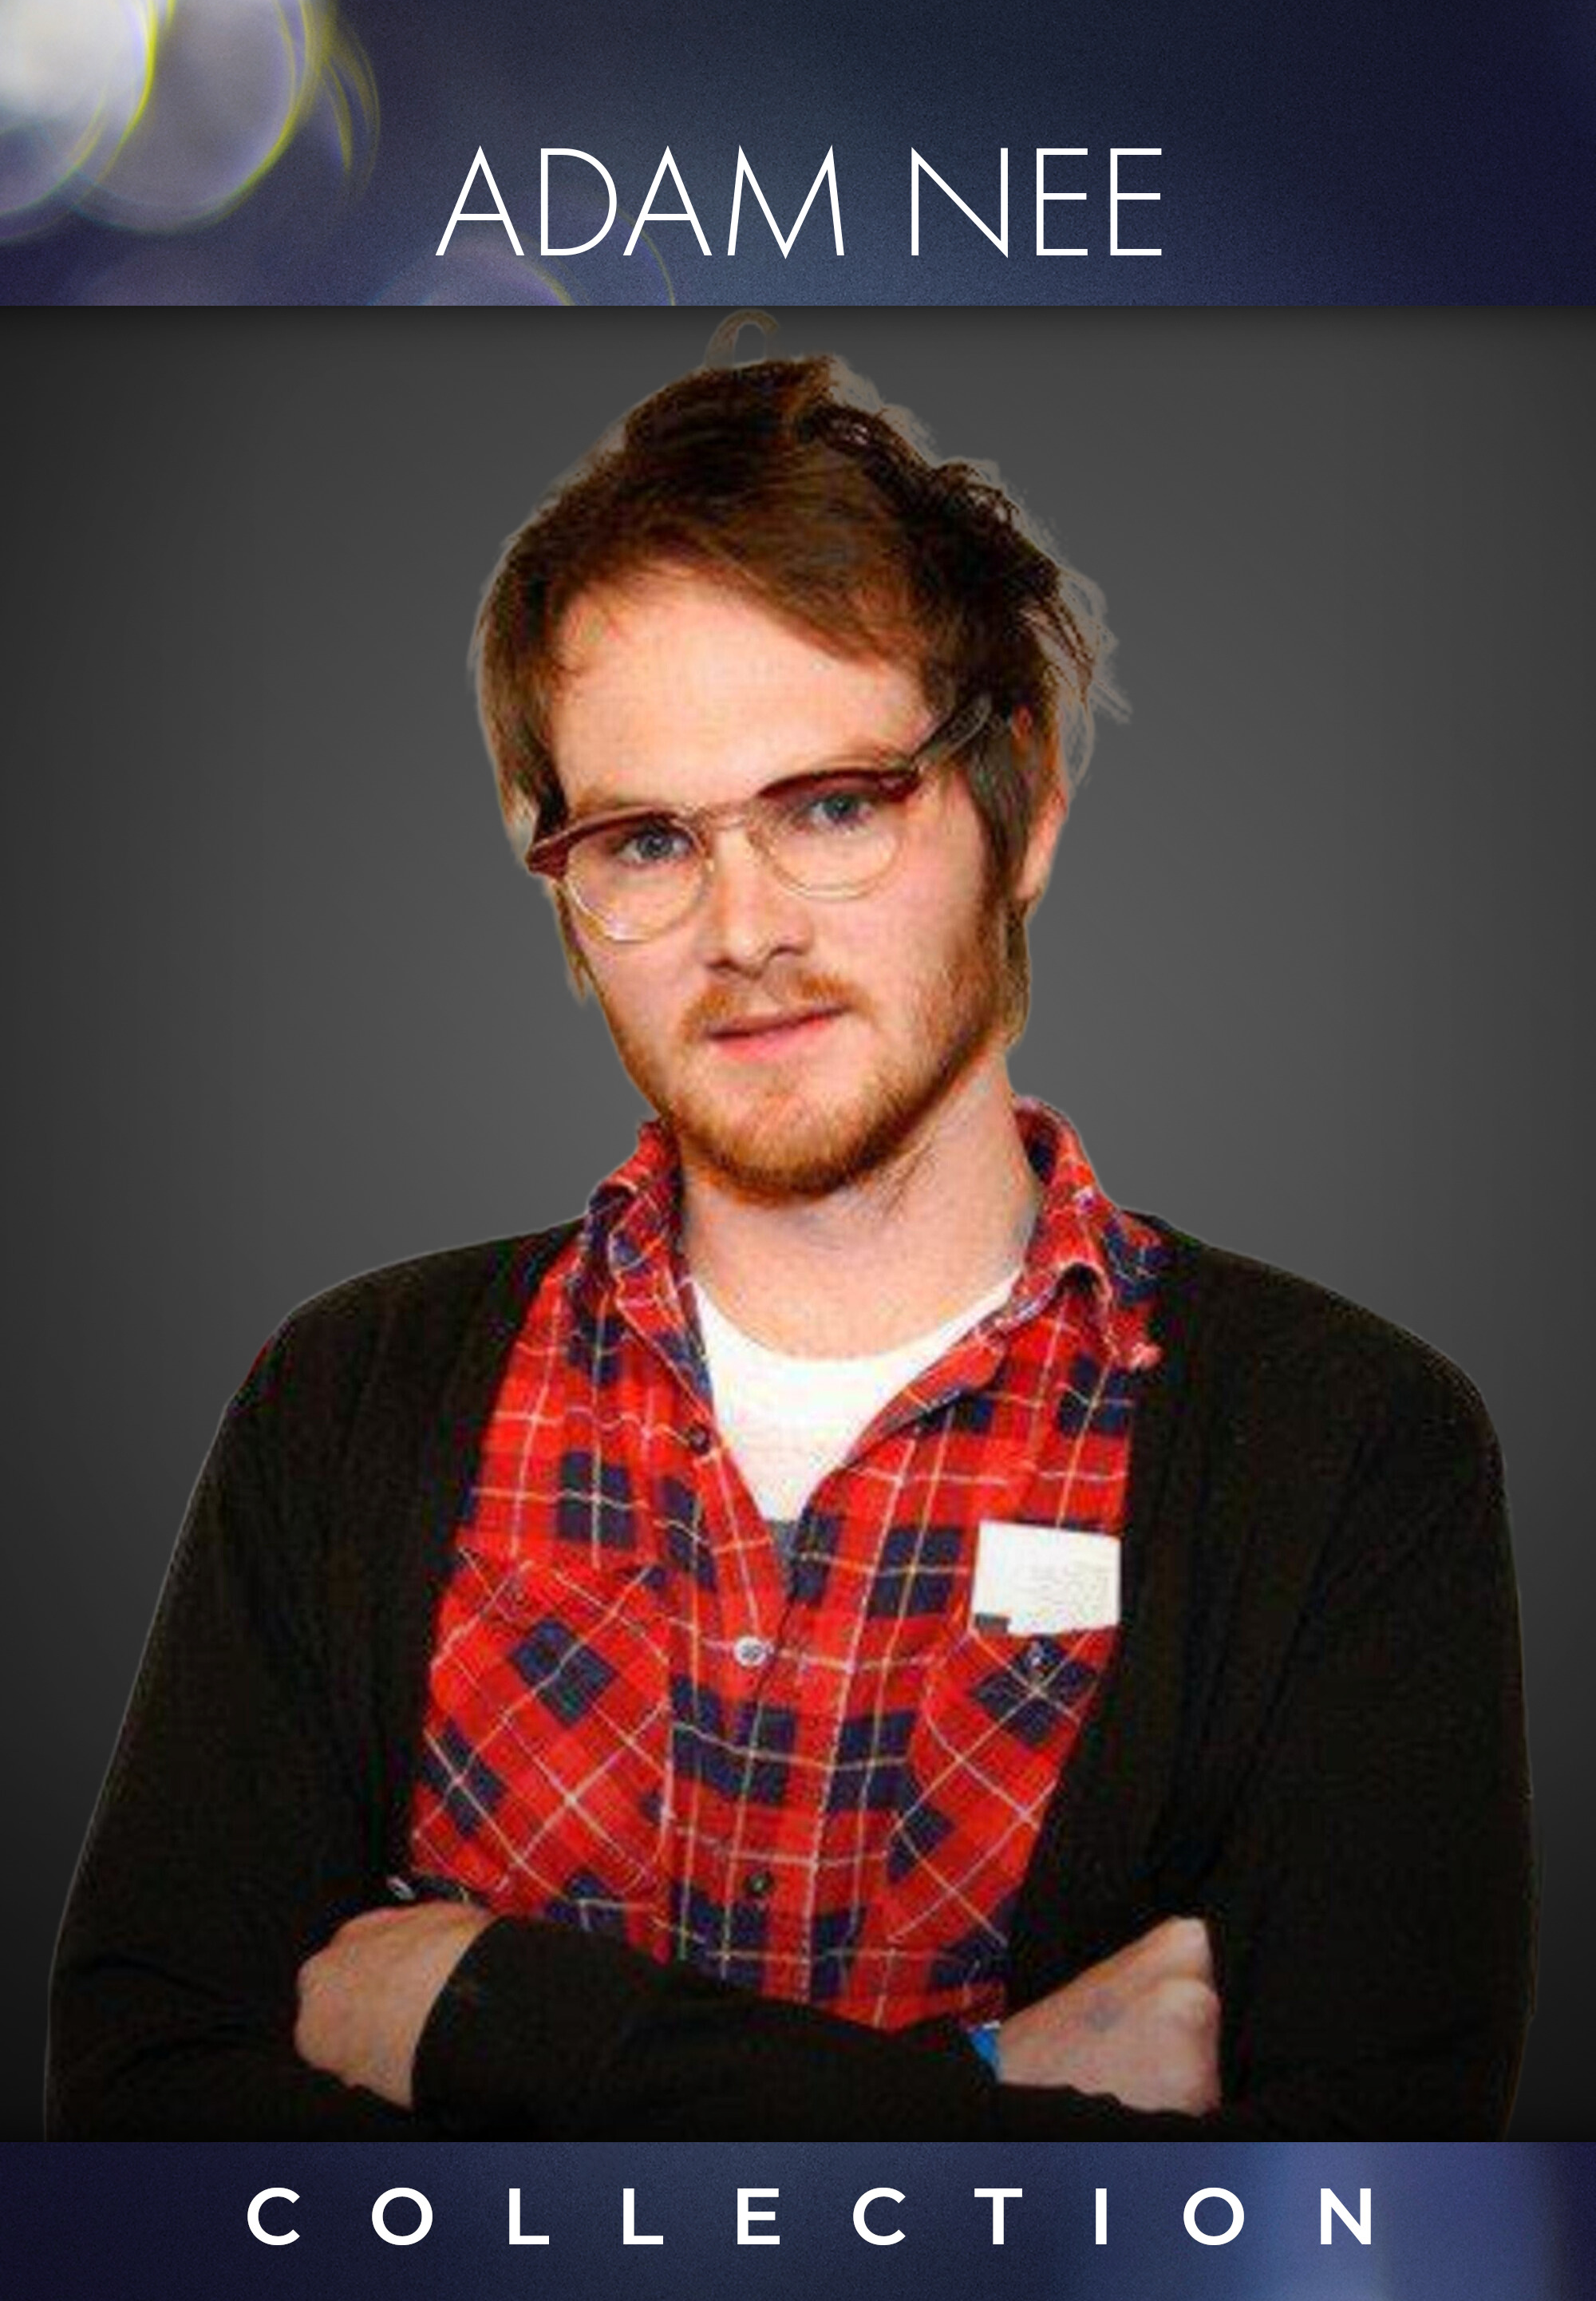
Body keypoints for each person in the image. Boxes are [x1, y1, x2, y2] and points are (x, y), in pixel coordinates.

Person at [47, 341, 1535, 2139]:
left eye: (833, 805)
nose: (743, 927)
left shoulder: (1347, 1448)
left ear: (1021, 803)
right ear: (572, 893)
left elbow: (1341, 2212)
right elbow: (145, 2117)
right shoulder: (349, 1394)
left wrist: (492, 2015)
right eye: (646, 840)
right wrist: (990, 2090)